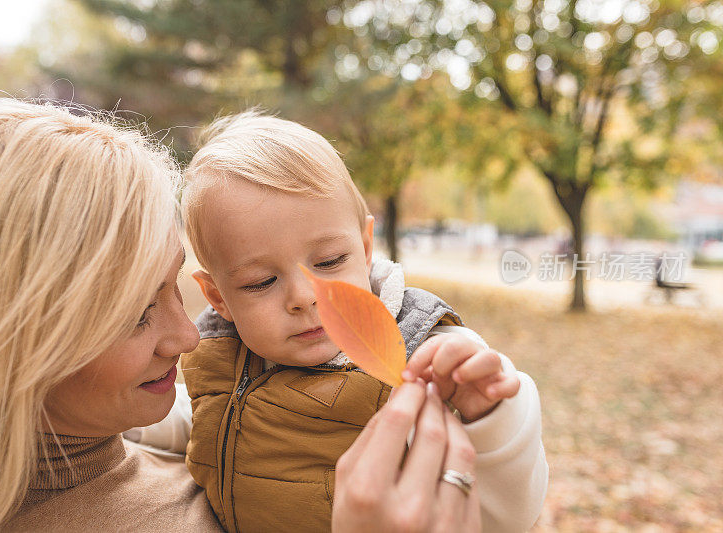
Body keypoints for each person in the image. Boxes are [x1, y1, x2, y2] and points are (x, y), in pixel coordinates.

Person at [0, 99, 482, 532]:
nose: (190, 336)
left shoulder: (140, 433)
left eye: (170, 287)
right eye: (135, 314)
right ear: (4, 342)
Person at [150, 111, 547, 532]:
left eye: (329, 261)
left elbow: (509, 514)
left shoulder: (422, 358)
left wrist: (489, 420)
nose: (305, 297)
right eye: (260, 282)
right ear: (219, 298)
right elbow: (206, 420)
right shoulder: (222, 352)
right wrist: (130, 427)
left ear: (364, 246)